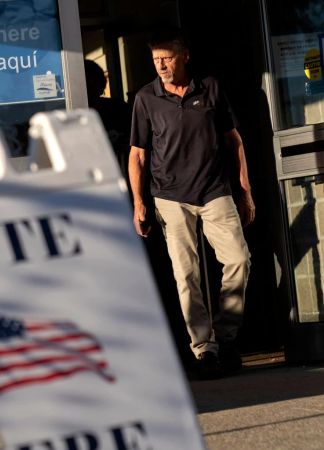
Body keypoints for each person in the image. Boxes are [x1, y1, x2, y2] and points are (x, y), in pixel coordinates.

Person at [128, 30, 254, 379]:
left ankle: (226, 336)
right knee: (187, 275)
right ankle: (204, 349)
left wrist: (245, 191)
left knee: (239, 260)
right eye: (156, 60)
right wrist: (139, 202)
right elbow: (137, 155)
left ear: (184, 56)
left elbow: (234, 141)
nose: (161, 65)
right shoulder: (146, 98)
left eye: (167, 58)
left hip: (215, 190)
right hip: (169, 197)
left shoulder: (210, 88)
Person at [84, 59, 131, 173]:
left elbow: (134, 141)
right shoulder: (73, 115)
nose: (91, 92)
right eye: (88, 87)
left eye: (94, 85)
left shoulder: (117, 107)